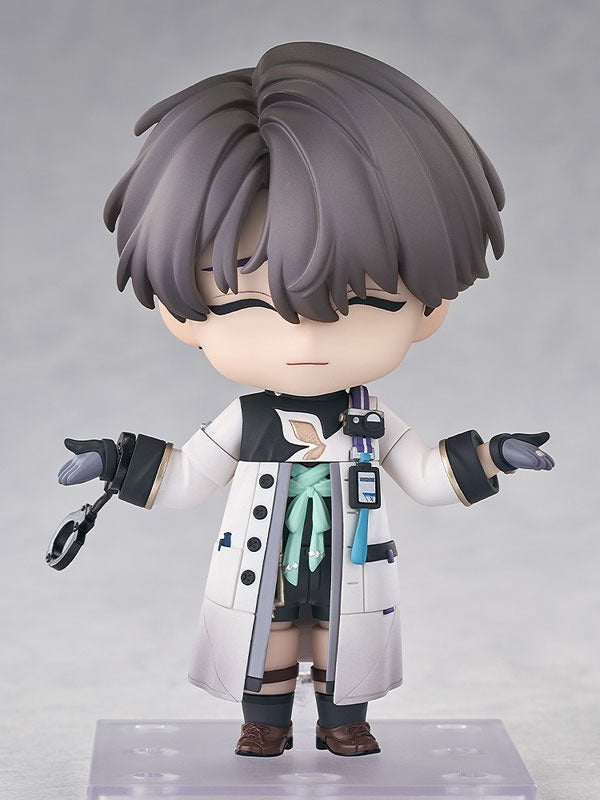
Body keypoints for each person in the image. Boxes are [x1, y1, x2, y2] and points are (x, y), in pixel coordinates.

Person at [57, 42, 554, 758]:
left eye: (363, 301)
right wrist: (114, 461)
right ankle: (265, 720)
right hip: (261, 559)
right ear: (182, 313)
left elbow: (424, 475)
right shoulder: (248, 418)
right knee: (269, 634)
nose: (305, 335)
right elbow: (187, 477)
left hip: (351, 558)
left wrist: (493, 455)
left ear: (431, 306)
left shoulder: (370, 418)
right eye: (245, 304)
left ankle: (342, 719)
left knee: (342, 638)